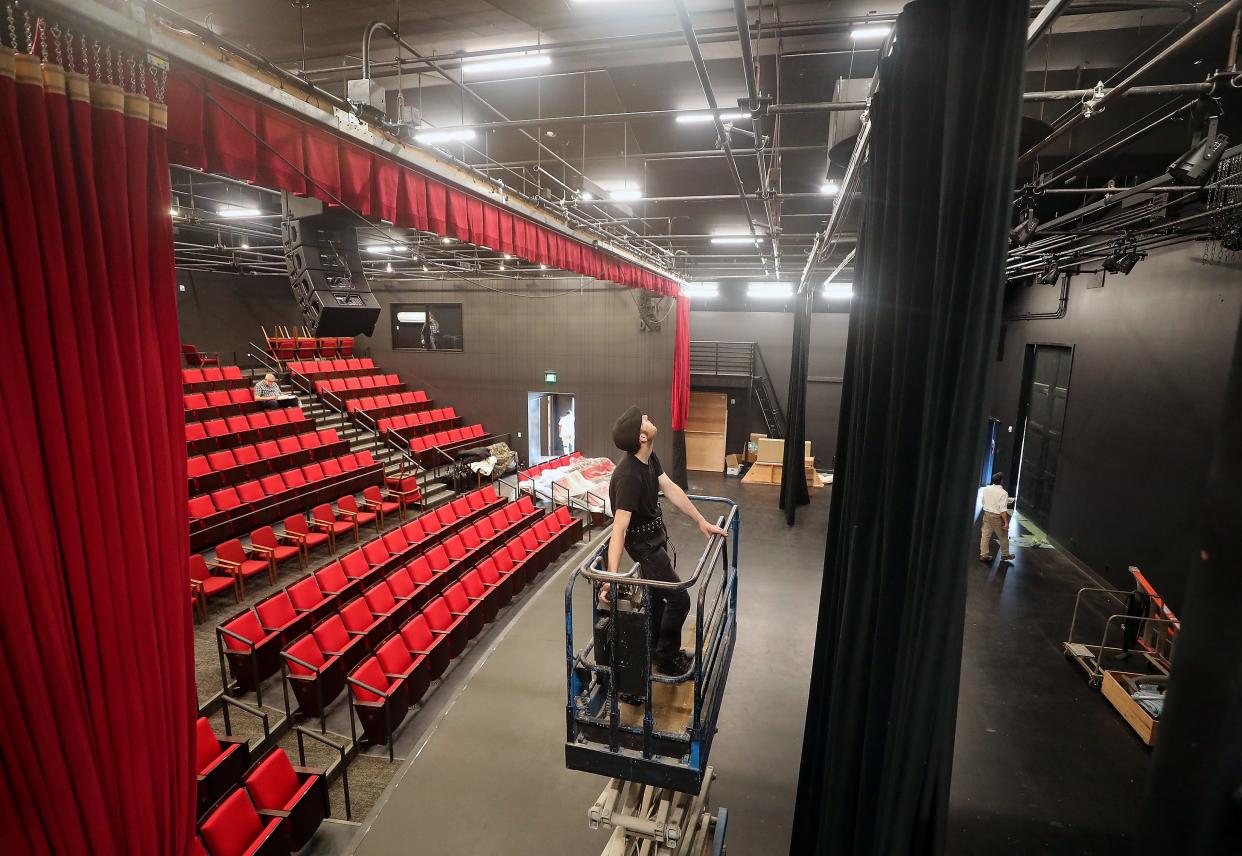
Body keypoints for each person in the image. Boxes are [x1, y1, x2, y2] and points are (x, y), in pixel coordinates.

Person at [602, 405, 727, 675]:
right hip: (644, 548)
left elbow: (670, 488)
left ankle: (654, 648)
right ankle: (667, 659)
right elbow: (619, 529)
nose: (648, 418)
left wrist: (701, 520)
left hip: (654, 539)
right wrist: (612, 577)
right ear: (642, 437)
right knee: (680, 600)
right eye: (643, 420)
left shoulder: (649, 458)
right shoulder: (628, 476)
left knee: (658, 598)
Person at [980, 471, 1015, 563]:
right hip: (996, 516)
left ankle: (984, 555)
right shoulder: (1003, 493)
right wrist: (1006, 523)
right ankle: (1005, 555)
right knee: (1003, 536)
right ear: (1001, 481)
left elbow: (983, 502)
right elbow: (1003, 510)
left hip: (986, 514)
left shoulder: (986, 489)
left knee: (985, 535)